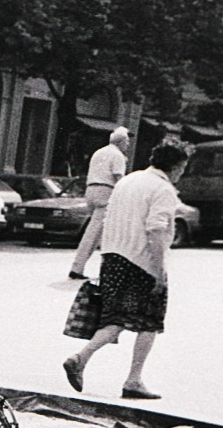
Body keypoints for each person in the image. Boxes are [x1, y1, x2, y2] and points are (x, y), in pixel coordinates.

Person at [61, 141, 191, 401]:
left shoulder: (127, 181)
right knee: (149, 321)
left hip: (112, 257)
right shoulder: (164, 189)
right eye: (183, 167)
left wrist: (106, 255)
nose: (182, 173)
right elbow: (155, 229)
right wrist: (159, 271)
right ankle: (133, 380)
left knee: (117, 317)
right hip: (141, 261)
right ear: (176, 166)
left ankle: (80, 358)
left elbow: (108, 219)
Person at [70, 127, 131, 280]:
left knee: (97, 233)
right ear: (121, 142)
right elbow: (119, 178)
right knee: (96, 234)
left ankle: (84, 267)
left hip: (91, 190)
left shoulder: (99, 152)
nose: (128, 145)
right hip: (106, 192)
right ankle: (79, 268)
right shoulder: (118, 155)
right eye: (127, 141)